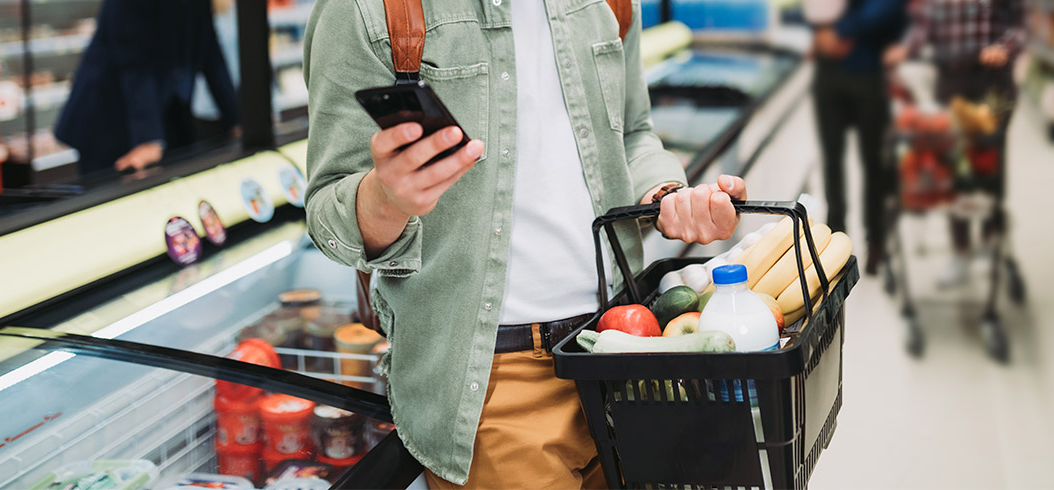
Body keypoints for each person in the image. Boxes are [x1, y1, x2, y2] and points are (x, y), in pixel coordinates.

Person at [303, 0, 746, 487]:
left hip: (625, 350)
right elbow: (328, 212)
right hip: (491, 387)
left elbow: (633, 134)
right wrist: (386, 199)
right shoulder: (365, 9)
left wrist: (669, 196)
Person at [884, 0, 1025, 286]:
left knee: (988, 161)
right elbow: (925, 23)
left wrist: (1005, 47)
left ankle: (989, 236)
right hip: (951, 81)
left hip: (994, 81)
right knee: (955, 164)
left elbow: (1020, 25)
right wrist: (907, 48)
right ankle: (961, 251)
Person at [55, 0, 239, 176]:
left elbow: (210, 51)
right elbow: (134, 59)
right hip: (110, 119)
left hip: (165, 118)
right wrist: (148, 138)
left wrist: (236, 120)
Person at [810, 0, 908, 274]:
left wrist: (838, 31)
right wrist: (821, 31)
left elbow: (887, 8)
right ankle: (834, 239)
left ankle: (875, 240)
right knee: (832, 161)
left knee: (874, 163)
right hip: (829, 75)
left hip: (868, 73)